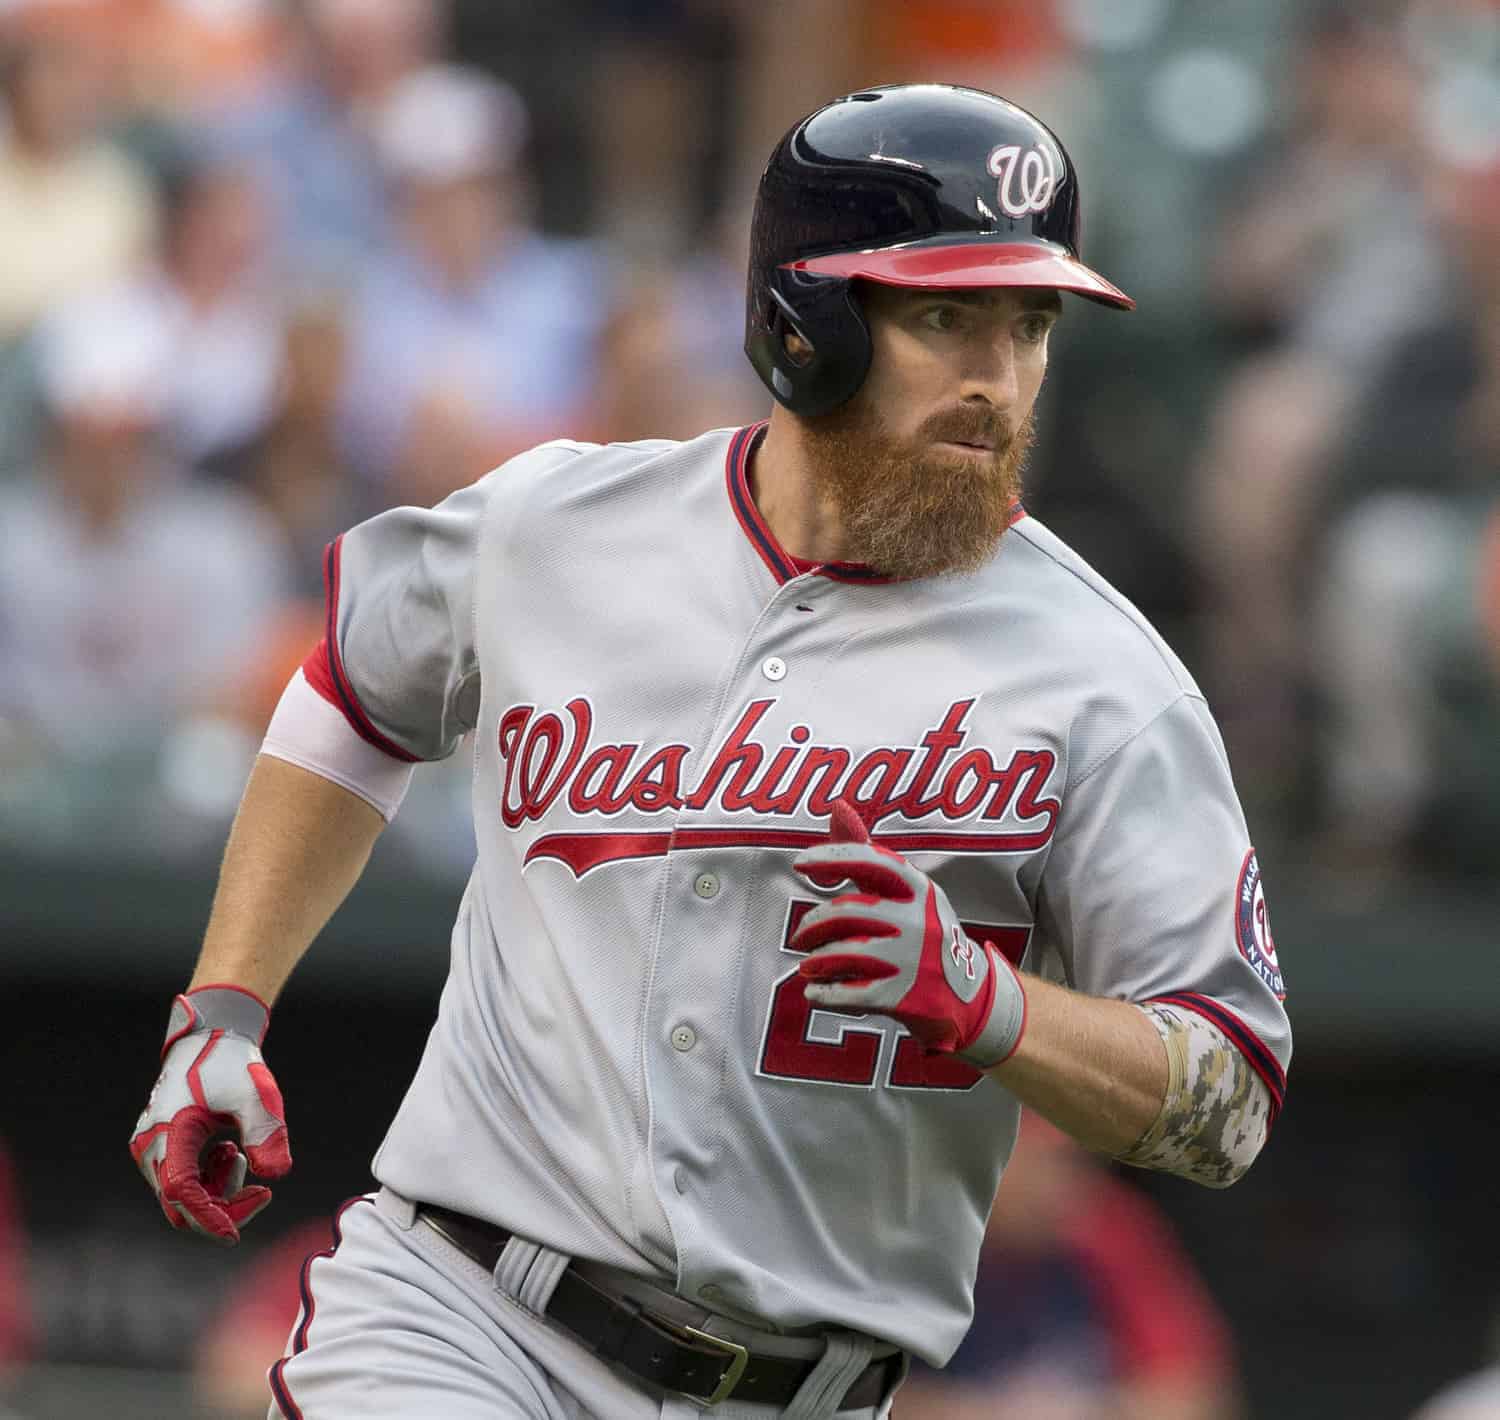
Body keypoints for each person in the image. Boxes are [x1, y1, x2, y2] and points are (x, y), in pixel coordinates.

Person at [129, 84, 1292, 1420]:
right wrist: (222, 1008)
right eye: (946, 319)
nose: (1000, 377)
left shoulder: (1106, 678)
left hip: (801, 1391)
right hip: (462, 1317)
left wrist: (995, 1006)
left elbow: (1229, 1093)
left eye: (1028, 326)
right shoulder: (557, 528)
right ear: (807, 325)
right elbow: (351, 692)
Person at [896, 1114, 1240, 1420]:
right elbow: (858, 1398)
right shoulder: (914, 1239)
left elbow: (1198, 1395)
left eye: (1074, 1163)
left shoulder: (1105, 1228)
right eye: (1037, 1165)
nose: (1057, 1186)